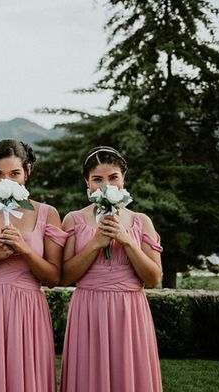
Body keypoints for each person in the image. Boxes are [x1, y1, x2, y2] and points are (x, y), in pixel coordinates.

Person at [0, 139, 68, 392]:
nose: (6, 180)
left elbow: (54, 277)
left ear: (27, 171)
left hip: (28, 310)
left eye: (15, 173)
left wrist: (26, 250)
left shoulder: (47, 213)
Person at [59, 146, 163, 392]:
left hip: (130, 312)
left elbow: (154, 278)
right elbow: (65, 277)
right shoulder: (73, 220)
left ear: (123, 178)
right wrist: (95, 243)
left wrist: (126, 240)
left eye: (113, 177)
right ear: (87, 182)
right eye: (97, 179)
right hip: (88, 310)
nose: (106, 185)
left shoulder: (141, 221)